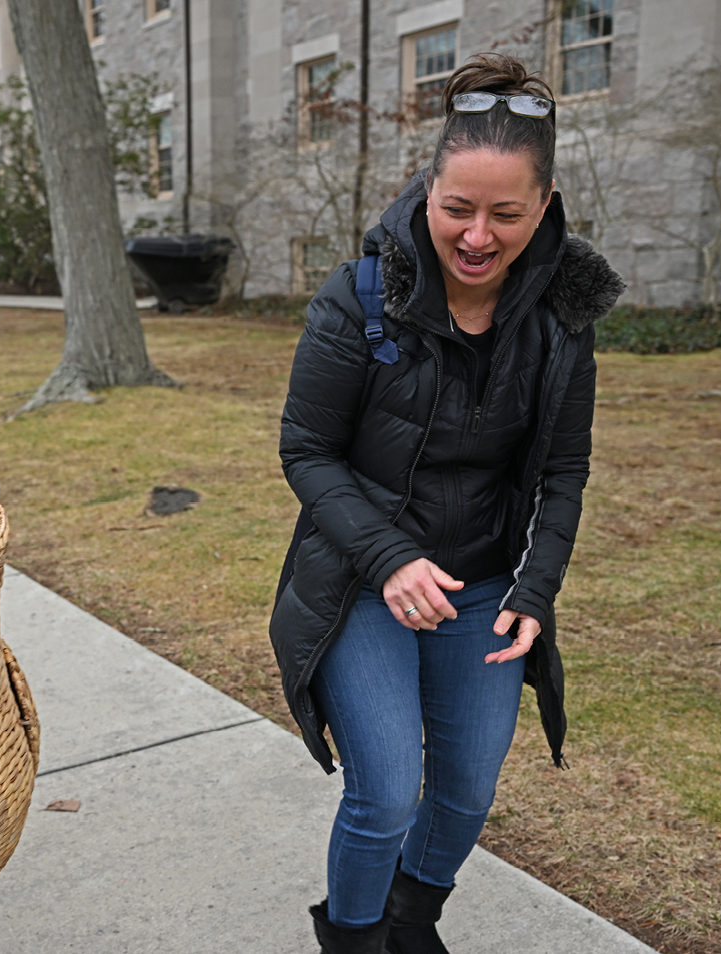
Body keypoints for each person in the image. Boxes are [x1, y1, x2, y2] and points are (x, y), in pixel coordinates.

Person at [269, 54, 625, 954]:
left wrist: (534, 591)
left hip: (486, 590)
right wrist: (389, 557)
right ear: (427, 187)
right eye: (456, 207)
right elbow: (306, 450)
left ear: (542, 207)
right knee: (386, 793)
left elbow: (566, 471)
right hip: (363, 581)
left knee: (466, 790)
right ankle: (352, 941)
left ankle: (409, 922)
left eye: (505, 214)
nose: (475, 235)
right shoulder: (361, 297)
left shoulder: (562, 318)